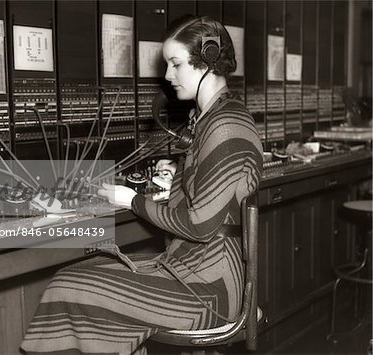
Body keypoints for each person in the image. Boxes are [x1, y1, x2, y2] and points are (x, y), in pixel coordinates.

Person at [21, 15, 263, 355]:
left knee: (68, 286)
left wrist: (130, 199)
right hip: (191, 268)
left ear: (208, 61)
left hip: (210, 290)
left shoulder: (225, 126)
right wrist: (177, 176)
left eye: (175, 64)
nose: (167, 75)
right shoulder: (212, 118)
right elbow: (209, 195)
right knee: (83, 272)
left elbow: (200, 224)